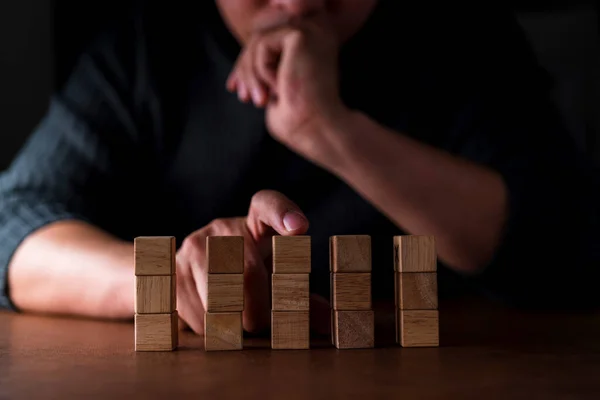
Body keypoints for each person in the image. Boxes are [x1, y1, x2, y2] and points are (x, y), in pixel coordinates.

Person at [0, 0, 598, 335]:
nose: (298, 1)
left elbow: (561, 242)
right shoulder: (145, 44)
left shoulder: (467, 34)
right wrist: (169, 281)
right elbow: (14, 224)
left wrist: (329, 130)